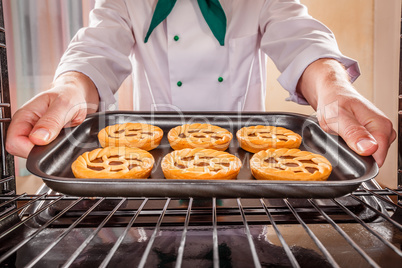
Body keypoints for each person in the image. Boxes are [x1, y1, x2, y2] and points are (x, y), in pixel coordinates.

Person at [6, 0, 396, 167]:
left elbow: (302, 39)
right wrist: (68, 90)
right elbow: (95, 50)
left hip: (247, 167)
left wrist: (334, 89)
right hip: (156, 161)